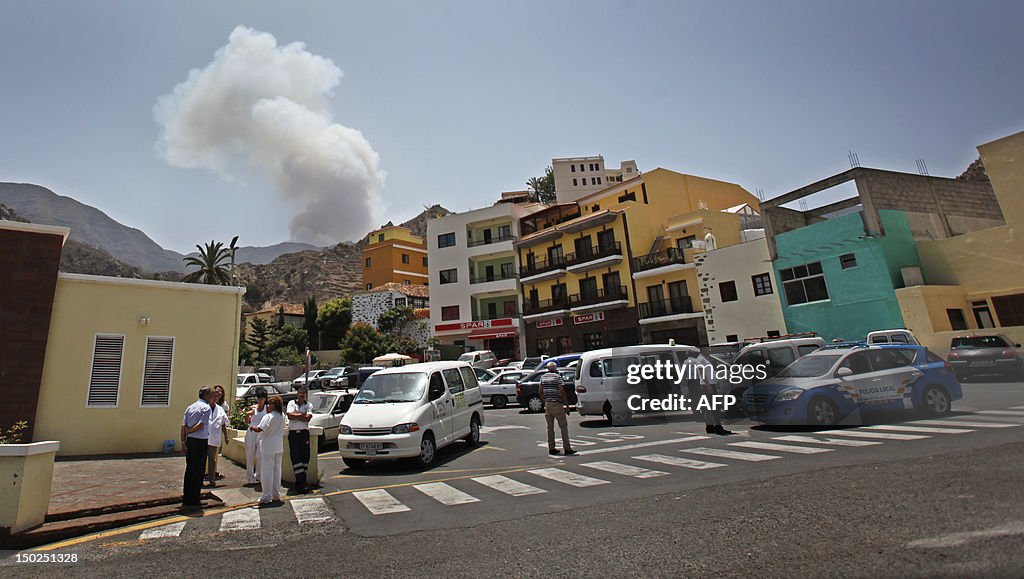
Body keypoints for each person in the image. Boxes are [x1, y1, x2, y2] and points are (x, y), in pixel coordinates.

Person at [686, 346, 732, 435]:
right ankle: (718, 427)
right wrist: (708, 385)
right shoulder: (701, 360)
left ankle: (710, 427)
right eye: (707, 349)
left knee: (709, 407)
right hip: (707, 386)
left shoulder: (705, 359)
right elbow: (702, 374)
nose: (709, 350)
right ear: (702, 350)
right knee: (714, 407)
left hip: (710, 384)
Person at [180, 386, 213, 508]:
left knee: (190, 470)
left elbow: (183, 425)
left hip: (191, 442)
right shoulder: (206, 408)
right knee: (198, 471)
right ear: (206, 396)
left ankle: (187, 497)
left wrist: (183, 441)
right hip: (199, 442)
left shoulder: (190, 407)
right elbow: (200, 425)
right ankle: (194, 499)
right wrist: (190, 431)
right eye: (211, 395)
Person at [250, 395, 285, 504]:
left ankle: (266, 496)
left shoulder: (268, 417)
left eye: (269, 404)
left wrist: (251, 426)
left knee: (267, 472)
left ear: (274, 405)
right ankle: (276, 494)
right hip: (278, 446)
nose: (267, 406)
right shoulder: (282, 415)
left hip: (268, 447)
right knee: (277, 471)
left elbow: (260, 429)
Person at [539, 361, 575, 456]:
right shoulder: (557, 377)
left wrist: (544, 401)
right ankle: (567, 448)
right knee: (563, 426)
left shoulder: (543, 377)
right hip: (557, 404)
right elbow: (562, 391)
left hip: (548, 404)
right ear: (555, 369)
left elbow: (540, 391)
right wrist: (566, 406)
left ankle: (551, 447)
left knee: (550, 428)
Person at [287, 387, 314, 493]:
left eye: (303, 393)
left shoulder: (309, 405)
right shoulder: (291, 403)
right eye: (300, 393)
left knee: (305, 456)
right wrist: (301, 415)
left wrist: (297, 415)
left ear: (306, 394)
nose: (301, 395)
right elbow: (290, 416)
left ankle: (301, 482)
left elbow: (308, 418)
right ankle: (301, 483)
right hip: (293, 434)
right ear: (297, 394)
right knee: (295, 457)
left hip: (304, 433)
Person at [244, 387, 269, 485]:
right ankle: (250, 477)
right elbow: (247, 421)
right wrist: (247, 416)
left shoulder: (267, 409)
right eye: (259, 398)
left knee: (260, 455)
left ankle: (258, 475)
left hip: (261, 434)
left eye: (262, 398)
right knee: (249, 455)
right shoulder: (253, 408)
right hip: (251, 432)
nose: (261, 400)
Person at [205, 384, 229, 487]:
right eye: (213, 397)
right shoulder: (204, 408)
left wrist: (226, 436)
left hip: (214, 438)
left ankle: (212, 479)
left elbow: (223, 423)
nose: (214, 399)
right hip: (203, 437)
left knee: (212, 459)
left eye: (216, 397)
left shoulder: (220, 409)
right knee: (201, 459)